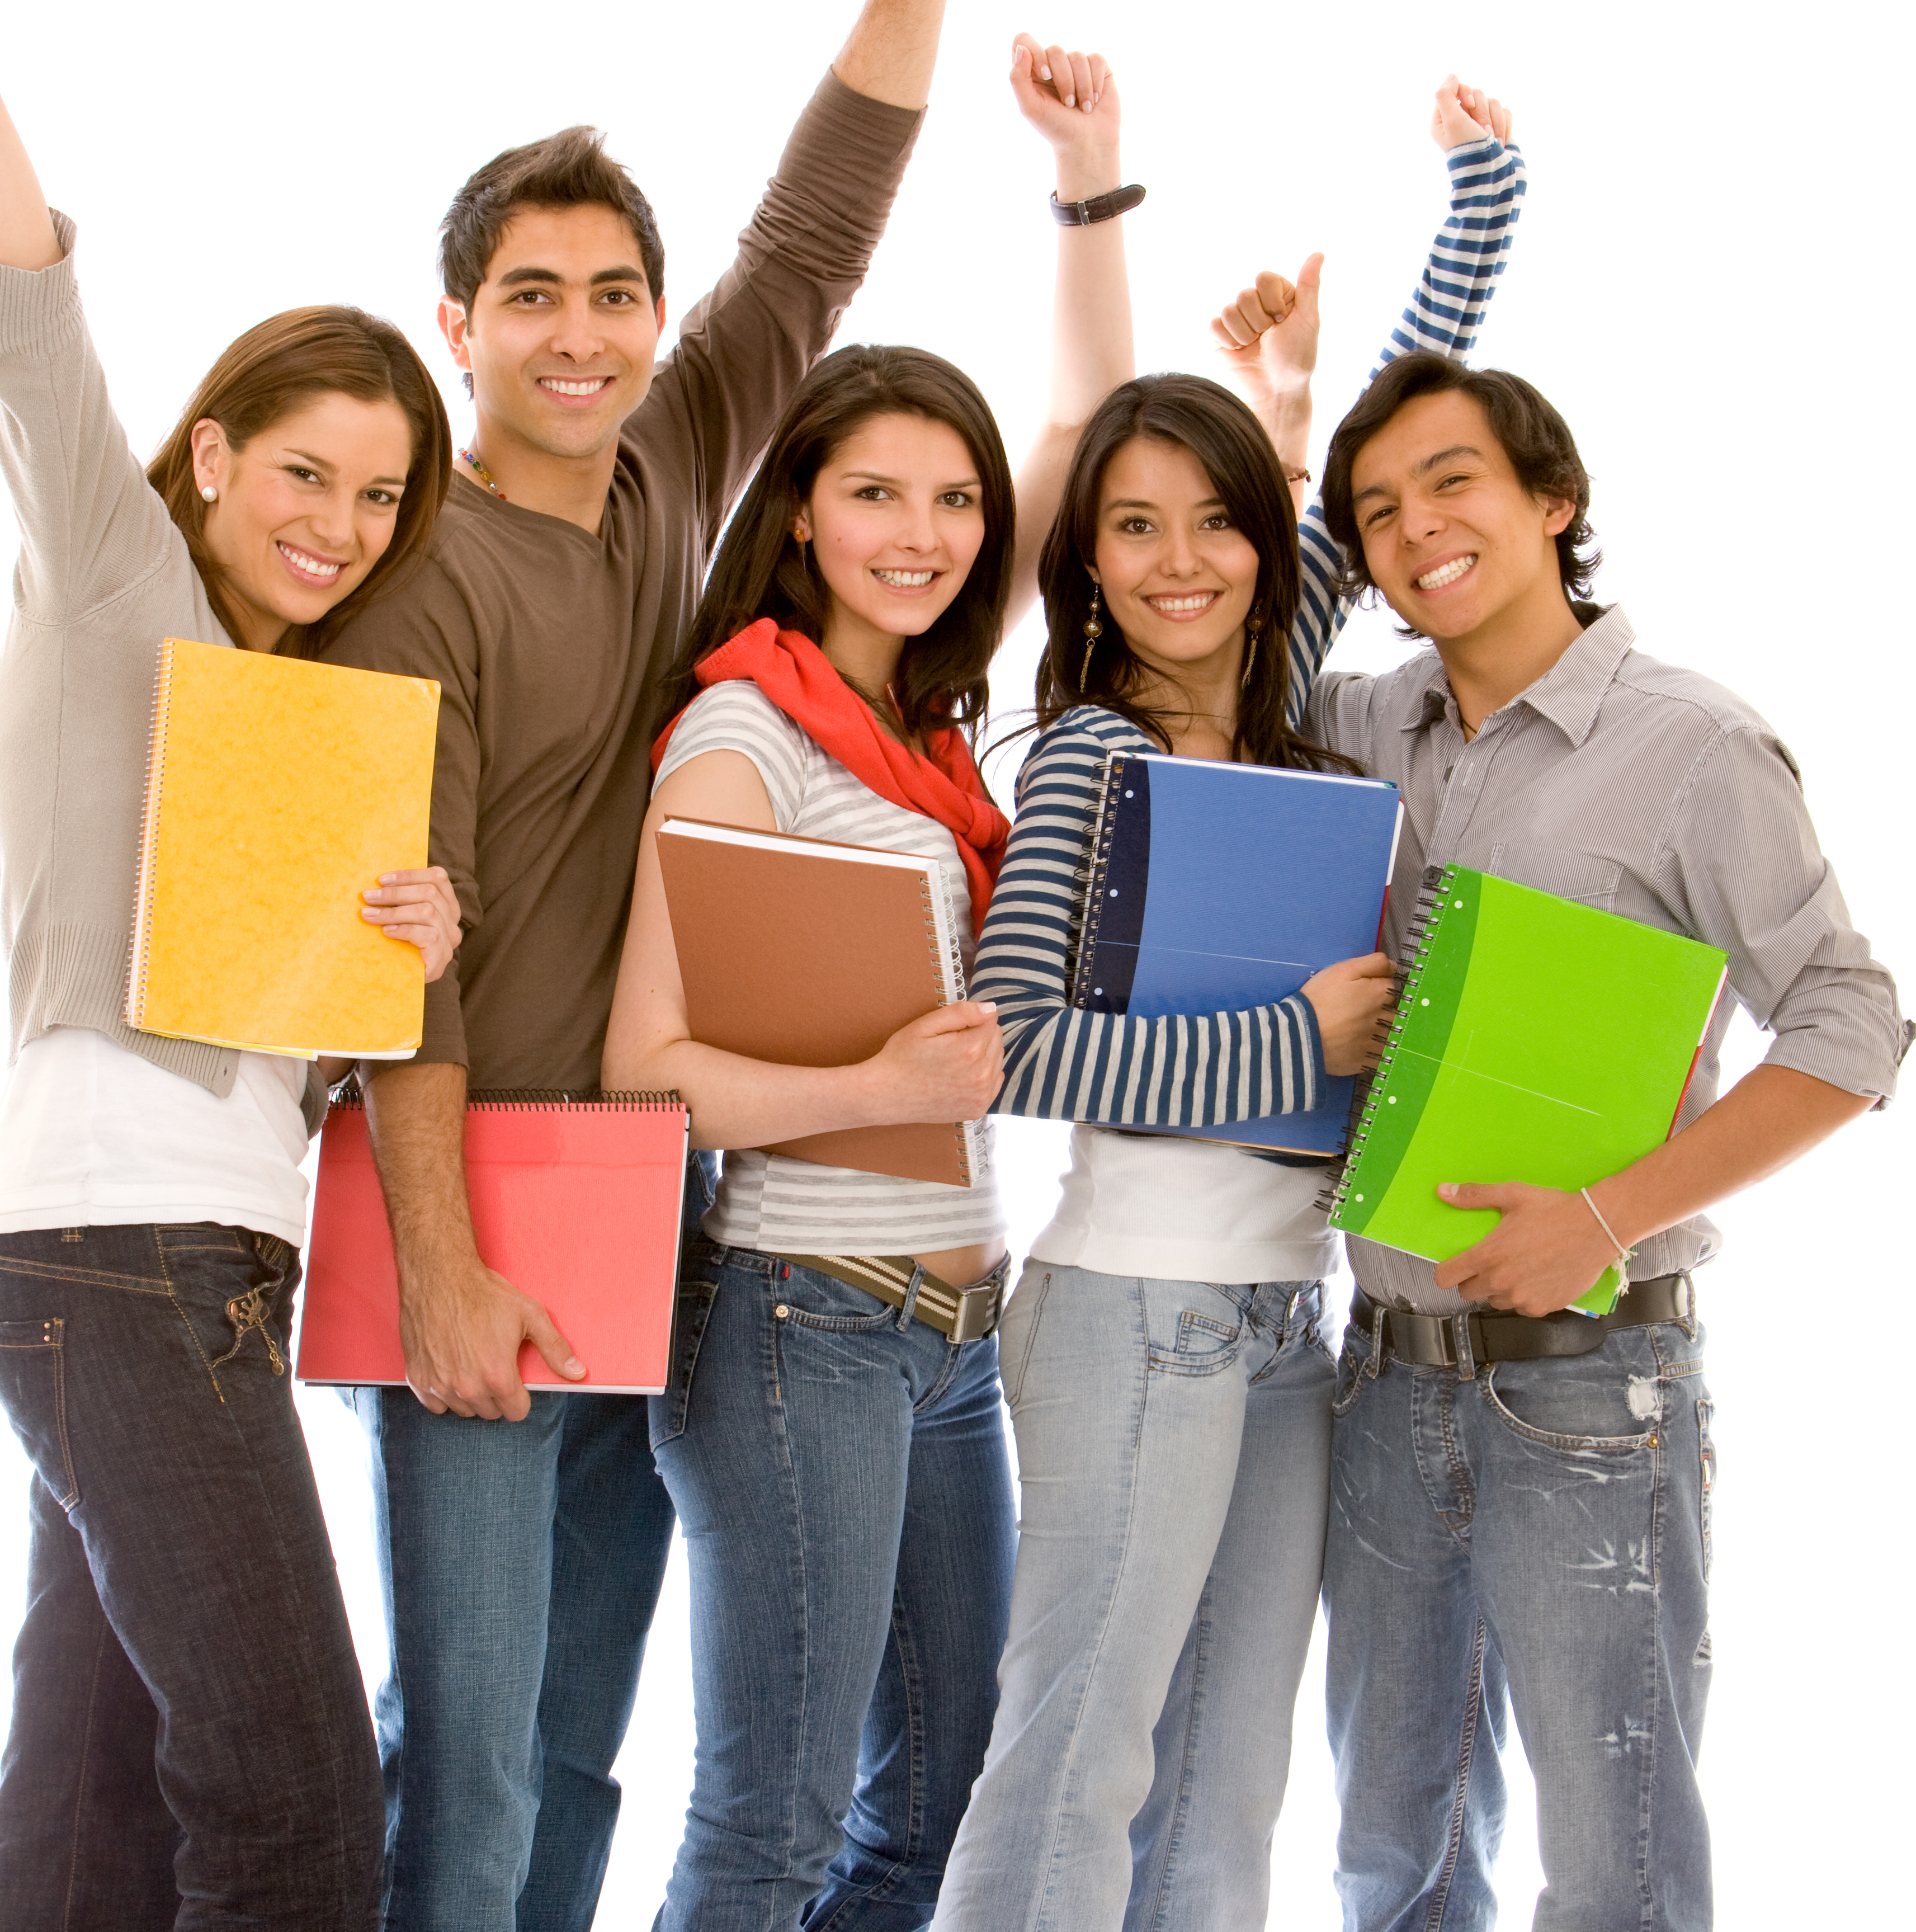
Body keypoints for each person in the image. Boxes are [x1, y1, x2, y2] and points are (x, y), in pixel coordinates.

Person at [315, 4, 959, 1924]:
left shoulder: (670, 468)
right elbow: (398, 977)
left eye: (613, 293)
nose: (578, 331)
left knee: (581, 1740)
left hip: (642, 1192)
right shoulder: (417, 581)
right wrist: (442, 1273)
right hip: (466, 1197)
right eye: (530, 295)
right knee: (470, 1751)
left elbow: (813, 242)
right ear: (460, 330)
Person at [0, 1, 465, 1925]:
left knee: (91, 1799)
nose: (340, 527)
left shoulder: (308, 717)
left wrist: (406, 947)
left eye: (380, 498)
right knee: (297, 1806)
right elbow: (23, 310)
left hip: (180, 1263)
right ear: (211, 454)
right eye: (307, 474)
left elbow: (275, 1058)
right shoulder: (119, 572)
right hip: (114, 1259)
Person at [932, 80, 1527, 1932]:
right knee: (1077, 1761)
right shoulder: (1087, 758)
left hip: (1287, 1328)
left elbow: (1382, 446)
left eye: (1219, 522)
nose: (1183, 559)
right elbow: (1013, 1041)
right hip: (1134, 1314)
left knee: (1223, 1798)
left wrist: (1482, 197)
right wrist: (1294, 1043)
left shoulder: (1288, 717)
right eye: (1133, 528)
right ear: (1087, 562)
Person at [596, 37, 1154, 1929]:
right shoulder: (749, 736)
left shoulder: (922, 729)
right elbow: (649, 1069)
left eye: (955, 504)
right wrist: (886, 1085)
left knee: (926, 1814)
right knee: (768, 1822)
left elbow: (1090, 439)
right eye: (877, 495)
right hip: (794, 1320)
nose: (926, 535)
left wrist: (1089, 194)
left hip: (946, 1337)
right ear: (804, 507)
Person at [1307, 352, 1908, 1928]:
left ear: (1550, 501)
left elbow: (1853, 1030)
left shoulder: (1695, 745)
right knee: (1393, 1857)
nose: (1417, 528)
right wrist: (1287, 392)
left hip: (1590, 1385)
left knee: (1619, 1871)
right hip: (1379, 1376)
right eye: (1378, 511)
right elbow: (1221, 592)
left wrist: (1605, 1209)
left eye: (1453, 482)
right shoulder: (1365, 725)